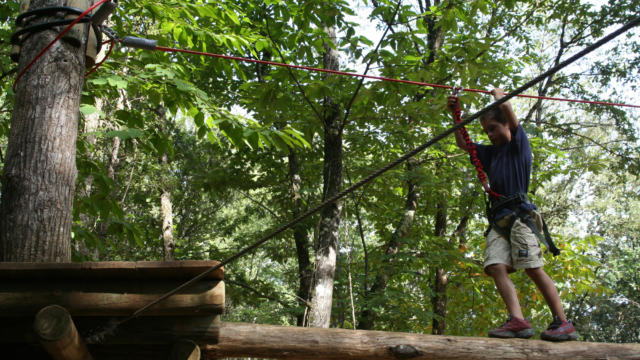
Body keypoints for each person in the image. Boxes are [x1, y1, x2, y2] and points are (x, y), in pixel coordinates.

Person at [447, 88, 578, 342]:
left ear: (507, 125)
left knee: (532, 268)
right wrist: (455, 114)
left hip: (520, 217)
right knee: (495, 266)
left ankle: (562, 321)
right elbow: (463, 143)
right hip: (499, 222)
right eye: (487, 131)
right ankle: (517, 320)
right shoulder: (491, 154)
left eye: (494, 128)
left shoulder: (519, 145)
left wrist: (502, 98)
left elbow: (512, 117)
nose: (491, 135)